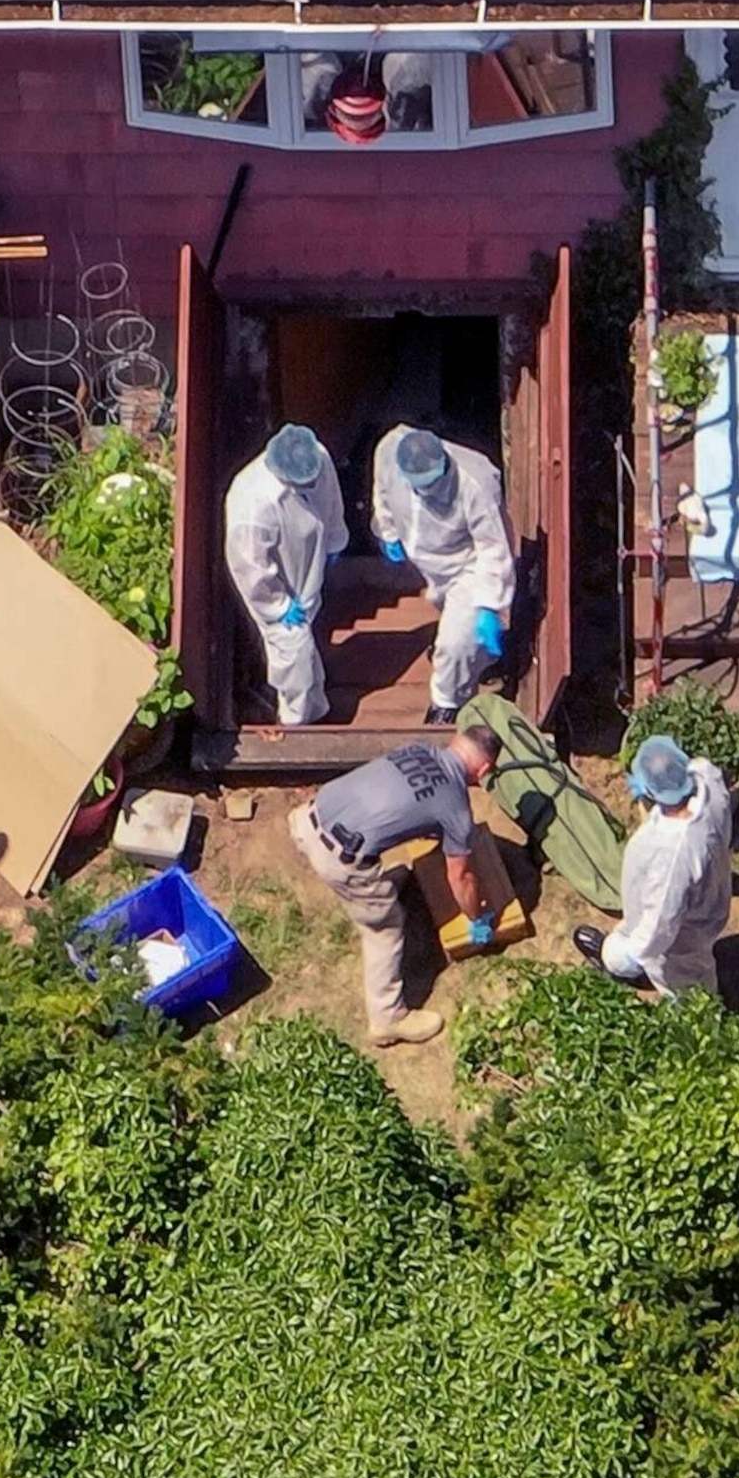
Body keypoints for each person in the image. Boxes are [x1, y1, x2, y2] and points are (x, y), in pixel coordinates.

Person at [293, 726, 503, 1047]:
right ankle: (387, 1019)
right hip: (339, 860)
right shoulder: (457, 809)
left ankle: (380, 891)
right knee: (385, 929)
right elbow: (460, 877)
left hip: (309, 817)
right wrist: (477, 919)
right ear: (485, 770)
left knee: (384, 888)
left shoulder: (417, 748)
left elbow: (405, 797)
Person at [371, 424, 515, 723]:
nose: (426, 491)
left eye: (431, 484)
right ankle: (475, 660)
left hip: (467, 565)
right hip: (429, 563)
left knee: (456, 643)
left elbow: (493, 547)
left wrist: (490, 603)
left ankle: (446, 706)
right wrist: (387, 530)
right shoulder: (390, 449)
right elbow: (382, 490)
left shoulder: (476, 481)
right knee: (447, 616)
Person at [575, 735, 733, 997]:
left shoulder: (670, 856)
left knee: (686, 979)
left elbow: (661, 924)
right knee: (692, 949)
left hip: (681, 934)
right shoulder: (707, 776)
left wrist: (631, 954)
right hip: (711, 898)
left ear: (649, 790)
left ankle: (697, 1016)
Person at [223, 423, 347, 725]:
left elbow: (330, 499)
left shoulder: (317, 456)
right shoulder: (252, 503)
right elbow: (250, 567)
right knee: (294, 655)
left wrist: (334, 540)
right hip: (277, 592)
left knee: (305, 648)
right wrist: (278, 605)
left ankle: (317, 709)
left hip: (307, 566)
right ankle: (295, 724)